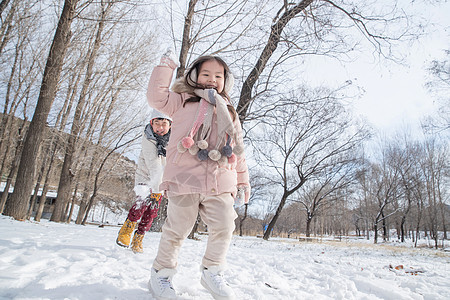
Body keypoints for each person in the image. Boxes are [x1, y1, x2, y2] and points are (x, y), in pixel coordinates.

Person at [145, 50, 251, 300]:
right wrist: (166, 66)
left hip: (221, 178)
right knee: (177, 229)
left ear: (226, 81)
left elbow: (238, 148)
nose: (212, 79)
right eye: (205, 73)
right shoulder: (182, 100)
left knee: (225, 223)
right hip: (185, 177)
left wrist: (242, 180)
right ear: (194, 76)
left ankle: (212, 271)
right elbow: (155, 96)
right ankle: (161, 274)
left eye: (218, 75)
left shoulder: (230, 111)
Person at [116, 109, 172, 253]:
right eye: (157, 123)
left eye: (164, 124)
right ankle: (127, 230)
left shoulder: (173, 140)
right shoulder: (148, 138)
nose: (160, 128)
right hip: (145, 177)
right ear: (151, 124)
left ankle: (139, 237)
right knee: (142, 204)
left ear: (170, 125)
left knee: (152, 213)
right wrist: (157, 189)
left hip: (160, 180)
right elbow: (154, 165)